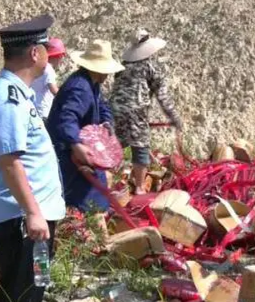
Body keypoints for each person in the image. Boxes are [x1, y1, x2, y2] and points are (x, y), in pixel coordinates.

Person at [0, 14, 66, 302]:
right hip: (23, 221)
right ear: (34, 53)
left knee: (32, 292)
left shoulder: (20, 94)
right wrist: (33, 213)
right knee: (17, 298)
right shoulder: (7, 99)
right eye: (45, 47)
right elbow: (9, 160)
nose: (48, 54)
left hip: (36, 221)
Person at [46, 39, 125, 216]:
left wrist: (106, 123)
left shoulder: (93, 83)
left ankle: (95, 222)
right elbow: (67, 119)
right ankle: (86, 229)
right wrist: (76, 144)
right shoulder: (80, 88)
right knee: (86, 197)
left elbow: (102, 106)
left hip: (84, 146)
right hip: (67, 149)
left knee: (98, 188)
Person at [110, 29, 183, 195]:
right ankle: (140, 187)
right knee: (140, 146)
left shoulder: (123, 66)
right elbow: (162, 97)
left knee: (117, 145)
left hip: (114, 108)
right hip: (136, 111)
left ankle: (112, 184)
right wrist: (174, 117)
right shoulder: (152, 67)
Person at [31, 37, 66, 120]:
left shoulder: (37, 66)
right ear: (58, 56)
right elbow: (54, 90)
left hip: (33, 110)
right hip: (43, 112)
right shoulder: (48, 69)